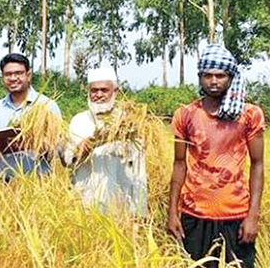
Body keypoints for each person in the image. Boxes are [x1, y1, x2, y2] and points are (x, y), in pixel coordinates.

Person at [167, 45, 265, 268]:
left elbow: (258, 165)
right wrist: (172, 213)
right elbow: (179, 164)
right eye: (207, 75)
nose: (213, 81)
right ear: (200, 77)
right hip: (194, 215)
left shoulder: (249, 115)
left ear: (230, 77)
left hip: (236, 216)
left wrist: (253, 216)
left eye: (220, 75)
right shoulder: (186, 115)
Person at [63, 67, 147, 217]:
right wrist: (80, 151)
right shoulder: (79, 121)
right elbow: (67, 162)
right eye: (94, 91)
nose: (99, 95)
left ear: (115, 91)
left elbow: (139, 172)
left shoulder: (129, 123)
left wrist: (141, 213)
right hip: (85, 205)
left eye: (104, 90)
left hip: (122, 207)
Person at [0, 53, 61, 181]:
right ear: (2, 78)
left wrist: (37, 144)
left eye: (18, 73)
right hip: (3, 182)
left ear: (28, 75)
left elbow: (60, 146)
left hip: (37, 181)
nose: (13, 78)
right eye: (8, 74)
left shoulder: (46, 106)